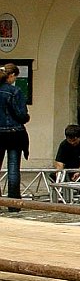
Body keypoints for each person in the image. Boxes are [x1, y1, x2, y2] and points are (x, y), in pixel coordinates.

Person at [0, 63, 30, 212]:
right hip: (14, 133)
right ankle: (13, 203)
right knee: (13, 168)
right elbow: (22, 115)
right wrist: (26, 117)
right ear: (11, 76)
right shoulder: (15, 91)